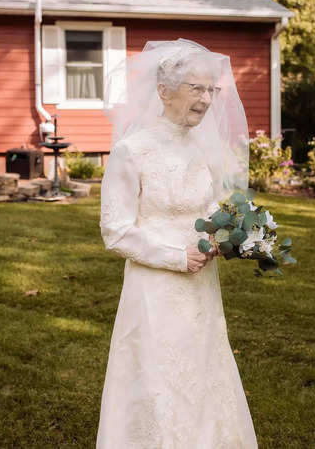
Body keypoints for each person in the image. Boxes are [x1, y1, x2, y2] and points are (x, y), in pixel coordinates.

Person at [95, 38, 258, 448]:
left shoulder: (203, 149)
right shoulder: (132, 151)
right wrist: (174, 257)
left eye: (211, 90)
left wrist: (227, 236)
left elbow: (207, 207)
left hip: (201, 284)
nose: (206, 99)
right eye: (196, 88)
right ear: (165, 92)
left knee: (204, 368)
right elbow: (115, 230)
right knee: (158, 374)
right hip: (155, 286)